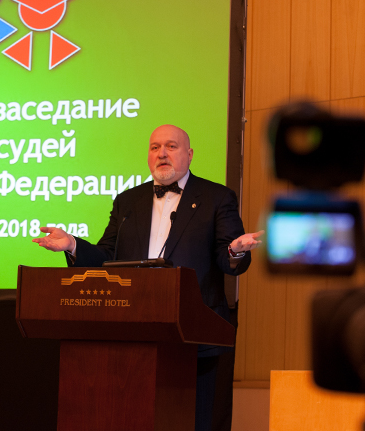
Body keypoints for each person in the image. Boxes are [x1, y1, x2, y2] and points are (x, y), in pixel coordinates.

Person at [33, 124, 264, 431]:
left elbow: (227, 258)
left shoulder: (217, 197)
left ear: (189, 154)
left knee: (191, 421)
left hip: (193, 336)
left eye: (171, 146)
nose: (162, 153)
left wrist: (235, 250)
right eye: (155, 147)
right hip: (133, 331)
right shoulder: (128, 201)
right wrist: (73, 245)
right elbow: (107, 256)